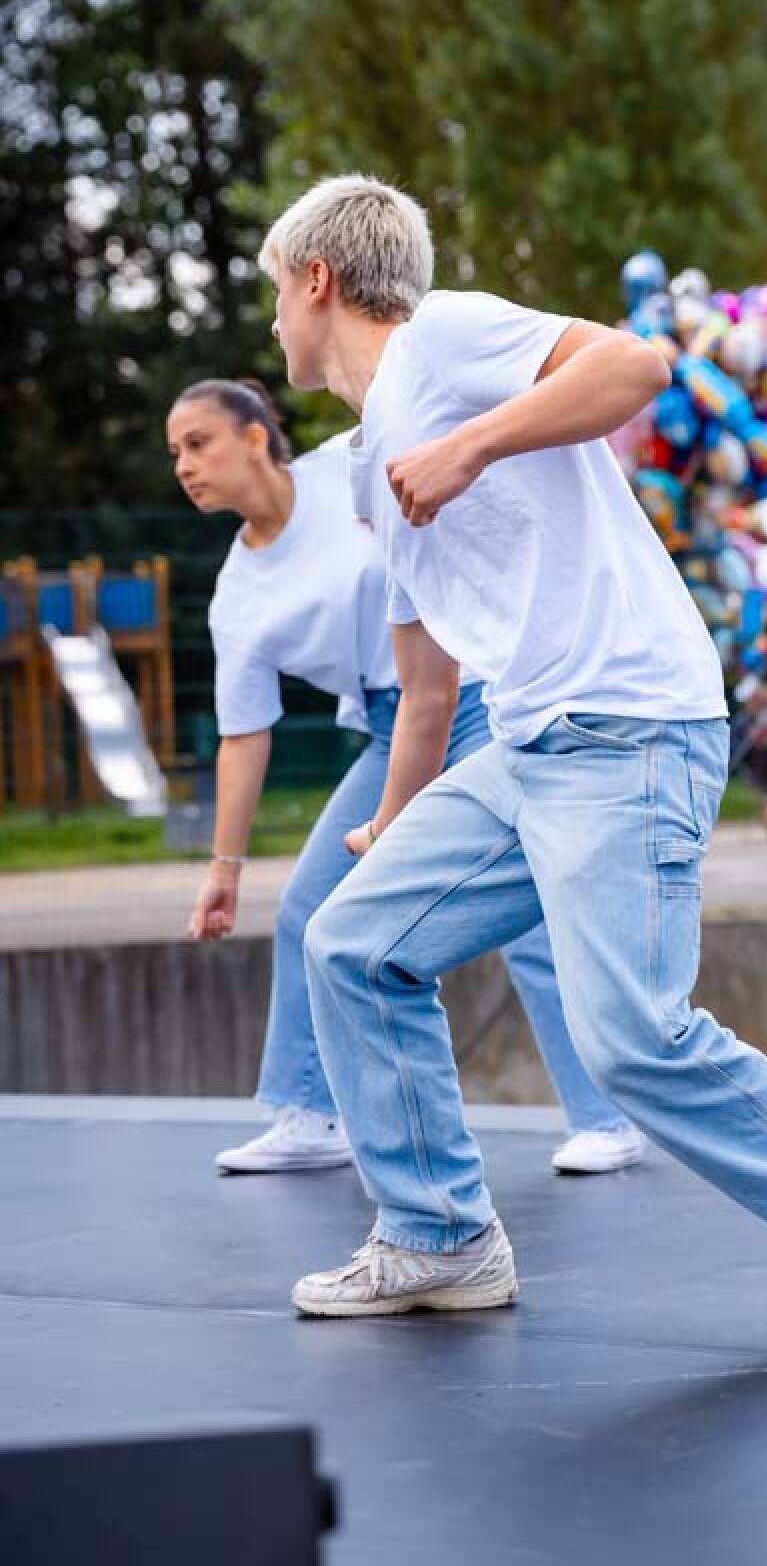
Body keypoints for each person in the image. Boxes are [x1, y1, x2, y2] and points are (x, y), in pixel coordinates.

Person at [262, 175, 767, 1342]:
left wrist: (471, 447)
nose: (274, 323)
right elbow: (427, 683)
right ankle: (439, 1236)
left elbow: (637, 366)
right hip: (526, 741)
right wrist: (394, 819)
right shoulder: (363, 466)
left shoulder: (441, 339)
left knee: (630, 1033)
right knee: (352, 944)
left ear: (317, 281)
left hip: (629, 722)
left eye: (275, 296)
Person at [166, 378, 645, 1177]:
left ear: (253, 438)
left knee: (524, 912)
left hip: (476, 697)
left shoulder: (341, 469)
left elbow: (445, 478)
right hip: (397, 729)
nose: (184, 465)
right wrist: (224, 869)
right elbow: (243, 737)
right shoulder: (237, 596)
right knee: (307, 909)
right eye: (175, 453)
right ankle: (310, 1115)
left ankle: (606, 1119)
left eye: (197, 443)